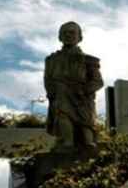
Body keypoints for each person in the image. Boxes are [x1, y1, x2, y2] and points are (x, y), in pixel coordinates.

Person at [44, 21, 104, 152]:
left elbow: (98, 82)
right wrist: (51, 92)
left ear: (79, 37)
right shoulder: (51, 59)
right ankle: (67, 143)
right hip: (60, 93)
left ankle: (88, 143)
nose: (68, 35)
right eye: (64, 33)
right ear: (60, 37)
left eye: (72, 32)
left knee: (86, 123)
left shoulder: (89, 60)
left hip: (82, 96)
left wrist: (84, 91)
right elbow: (47, 79)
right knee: (62, 114)